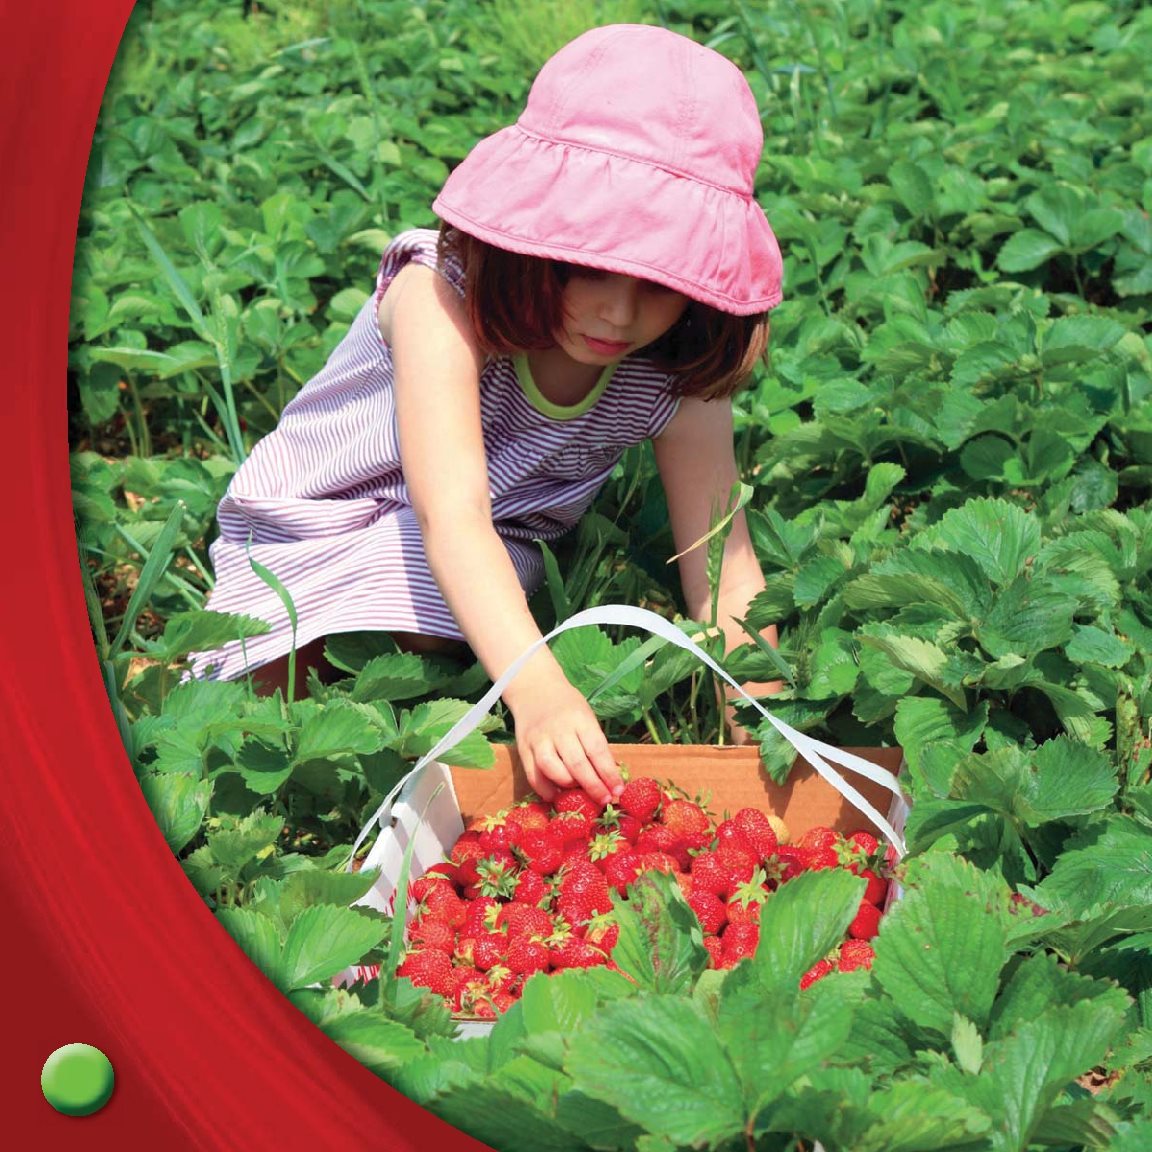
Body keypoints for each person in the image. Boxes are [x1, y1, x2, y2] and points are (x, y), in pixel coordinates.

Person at [193, 23, 784, 807]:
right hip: (328, 527)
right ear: (532, 234)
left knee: (471, 595)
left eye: (660, 280)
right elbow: (452, 515)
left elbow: (722, 563)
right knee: (393, 602)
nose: (617, 310)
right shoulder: (440, 298)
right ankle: (273, 734)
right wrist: (537, 689)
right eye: (585, 266)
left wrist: (767, 727)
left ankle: (397, 696)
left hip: (489, 555)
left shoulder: (675, 364)